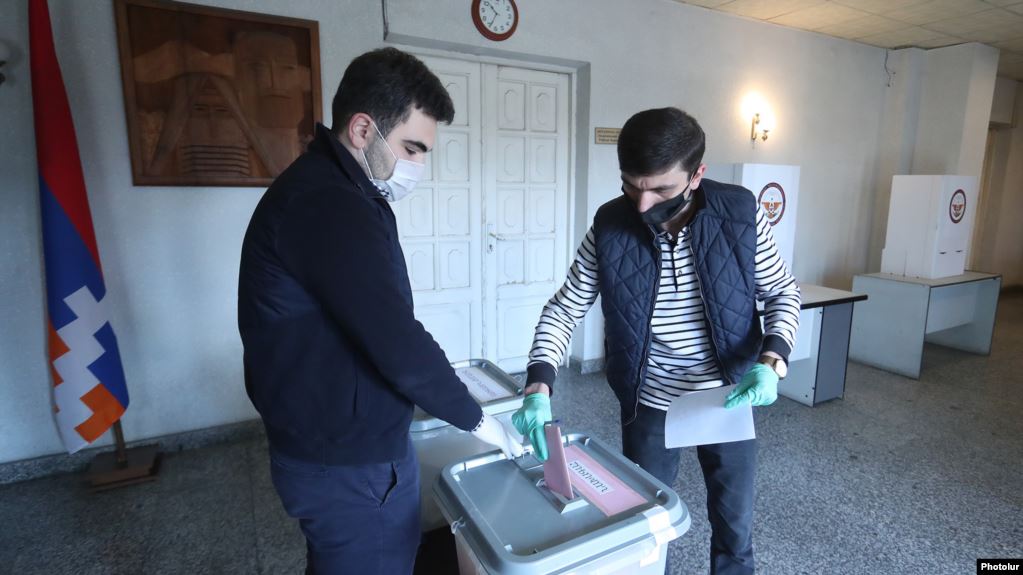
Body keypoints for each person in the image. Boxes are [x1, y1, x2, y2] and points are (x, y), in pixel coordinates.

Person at [238, 47, 522, 575]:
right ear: (363, 130)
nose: (419, 166)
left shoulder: (333, 188)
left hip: (327, 444)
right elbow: (394, 336)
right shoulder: (330, 203)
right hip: (347, 462)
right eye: (412, 147)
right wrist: (478, 418)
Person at [512, 107, 800, 575]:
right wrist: (538, 386)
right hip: (650, 400)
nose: (643, 204)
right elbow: (565, 309)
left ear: (697, 174)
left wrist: (772, 361)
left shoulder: (741, 216)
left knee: (734, 527)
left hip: (725, 397)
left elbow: (782, 292)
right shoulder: (609, 226)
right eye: (631, 185)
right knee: (642, 524)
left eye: (661, 188)